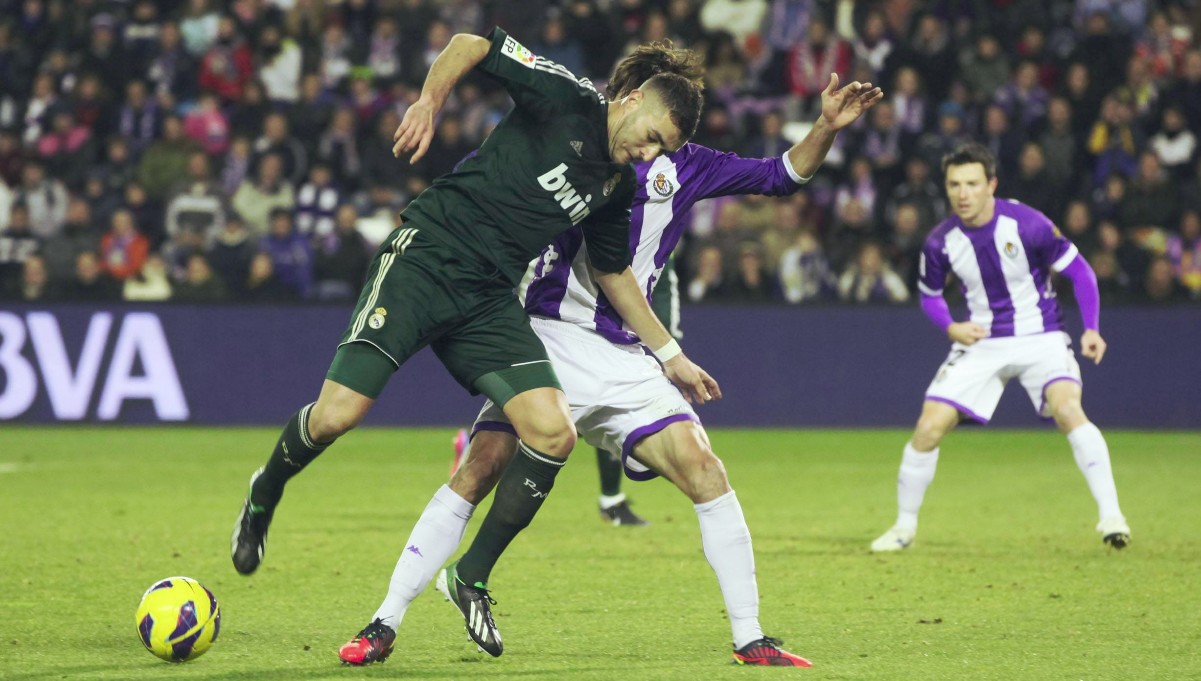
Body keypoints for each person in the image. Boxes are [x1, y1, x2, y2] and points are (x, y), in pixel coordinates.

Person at [337, 42, 881, 667]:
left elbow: (781, 175)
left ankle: (749, 636)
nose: (652, 149)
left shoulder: (689, 165)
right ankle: (384, 621)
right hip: (549, 335)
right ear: (629, 99)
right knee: (482, 466)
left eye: (665, 139)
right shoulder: (577, 140)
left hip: (626, 354)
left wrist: (826, 127)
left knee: (705, 470)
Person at [230, 26, 709, 593]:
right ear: (632, 100)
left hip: (487, 297)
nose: (649, 154)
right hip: (426, 260)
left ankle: (469, 579)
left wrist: (670, 354)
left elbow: (614, 274)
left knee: (553, 431)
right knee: (337, 416)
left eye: (661, 151)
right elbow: (471, 44)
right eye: (651, 137)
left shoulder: (615, 185)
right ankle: (265, 491)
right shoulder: (566, 98)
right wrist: (428, 104)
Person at [870, 142, 1130, 553]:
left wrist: (1092, 329)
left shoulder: (1029, 224)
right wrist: (951, 326)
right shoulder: (940, 242)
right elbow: (930, 296)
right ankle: (904, 528)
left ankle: (1112, 516)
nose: (963, 193)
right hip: (983, 341)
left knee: (1067, 409)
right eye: (954, 184)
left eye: (972, 183)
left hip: (1040, 336)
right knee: (928, 428)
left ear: (991, 184)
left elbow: (1081, 272)